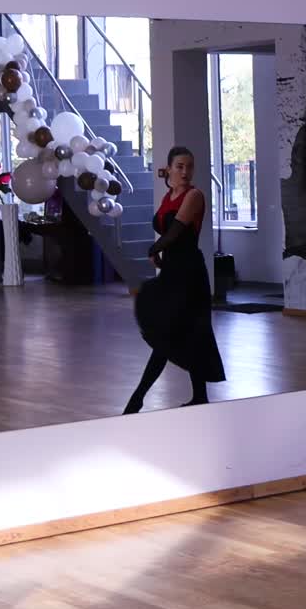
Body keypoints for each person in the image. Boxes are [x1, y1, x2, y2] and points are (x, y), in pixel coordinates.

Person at [124, 146, 226, 414]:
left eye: (189, 166)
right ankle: (199, 397)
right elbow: (166, 232)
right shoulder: (168, 197)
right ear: (169, 169)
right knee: (184, 334)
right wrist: (160, 254)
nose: (185, 171)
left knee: (175, 335)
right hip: (172, 271)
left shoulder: (194, 195)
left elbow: (175, 233)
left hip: (190, 273)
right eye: (179, 166)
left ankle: (136, 400)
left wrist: (153, 250)